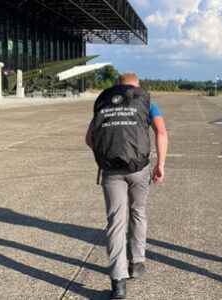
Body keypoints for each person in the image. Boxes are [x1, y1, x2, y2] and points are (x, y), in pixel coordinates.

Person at [86, 73, 168, 299]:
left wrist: (101, 159)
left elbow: (89, 138)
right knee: (138, 212)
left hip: (111, 170)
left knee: (115, 222)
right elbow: (161, 131)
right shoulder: (146, 100)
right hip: (139, 168)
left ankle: (119, 282)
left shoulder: (105, 100)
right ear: (137, 86)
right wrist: (160, 164)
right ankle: (138, 262)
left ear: (118, 86)